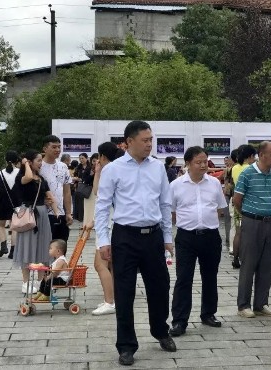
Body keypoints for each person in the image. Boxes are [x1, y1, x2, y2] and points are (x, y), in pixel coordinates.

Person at [94, 121, 176, 366]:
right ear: (129, 142)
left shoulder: (158, 168)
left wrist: (167, 237)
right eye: (145, 140)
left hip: (152, 236)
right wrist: (103, 240)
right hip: (124, 237)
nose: (149, 144)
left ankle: (160, 330)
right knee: (125, 291)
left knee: (160, 286)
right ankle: (126, 345)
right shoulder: (113, 170)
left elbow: (164, 204)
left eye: (151, 139)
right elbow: (102, 207)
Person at [169, 146, 228, 337]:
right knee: (184, 278)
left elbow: (220, 208)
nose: (203, 165)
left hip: (210, 236)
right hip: (186, 237)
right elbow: (171, 212)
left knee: (210, 276)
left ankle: (208, 313)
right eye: (198, 162)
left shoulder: (214, 183)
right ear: (188, 163)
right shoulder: (176, 185)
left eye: (205, 161)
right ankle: (179, 320)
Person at [233, 141, 271, 318]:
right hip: (252, 222)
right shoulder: (247, 173)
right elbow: (237, 199)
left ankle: (261, 303)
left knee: (268, 265)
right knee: (249, 264)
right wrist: (248, 216)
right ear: (261, 155)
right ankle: (243, 305)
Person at [84, 143, 124, 316]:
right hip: (115, 223)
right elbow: (97, 191)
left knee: (100, 264)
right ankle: (112, 299)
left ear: (102, 156)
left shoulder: (110, 171)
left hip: (109, 224)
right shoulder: (119, 169)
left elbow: (101, 197)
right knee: (111, 265)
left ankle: (109, 301)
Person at [13, 150, 60, 294]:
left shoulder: (41, 179)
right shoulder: (22, 177)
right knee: (27, 246)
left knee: (43, 246)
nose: (41, 163)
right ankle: (25, 282)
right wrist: (25, 162)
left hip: (42, 214)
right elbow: (28, 176)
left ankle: (41, 281)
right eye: (38, 160)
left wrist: (56, 210)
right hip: (28, 214)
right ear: (30, 162)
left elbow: (49, 195)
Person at [39, 135, 73, 242]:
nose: (57, 150)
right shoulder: (39, 166)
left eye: (59, 147)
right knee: (45, 248)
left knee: (61, 246)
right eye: (54, 147)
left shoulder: (63, 166)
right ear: (45, 149)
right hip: (43, 213)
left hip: (60, 213)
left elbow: (67, 191)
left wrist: (68, 212)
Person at [230, 144, 257, 269]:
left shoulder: (235, 168)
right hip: (249, 203)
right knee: (250, 233)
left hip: (237, 202)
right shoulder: (251, 168)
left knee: (238, 232)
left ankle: (236, 258)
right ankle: (247, 258)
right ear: (250, 156)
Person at [0, 151, 21, 259]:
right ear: (17, 161)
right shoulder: (19, 172)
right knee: (14, 226)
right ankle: (13, 251)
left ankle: (3, 246)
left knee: (1, 225)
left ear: (6, 160)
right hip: (16, 203)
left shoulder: (0, 173)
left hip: (3, 202)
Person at [72, 152, 91, 222]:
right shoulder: (78, 167)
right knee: (79, 203)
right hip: (79, 187)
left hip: (87, 187)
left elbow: (89, 178)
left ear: (86, 158)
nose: (81, 160)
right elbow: (75, 176)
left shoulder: (90, 167)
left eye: (82, 158)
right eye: (80, 159)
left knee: (85, 203)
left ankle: (86, 217)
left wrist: (80, 179)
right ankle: (79, 217)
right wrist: (75, 179)